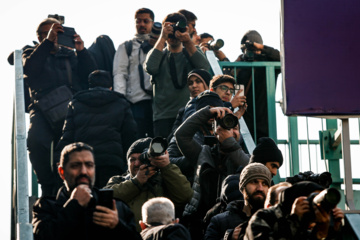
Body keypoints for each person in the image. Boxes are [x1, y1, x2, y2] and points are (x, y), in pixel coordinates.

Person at [23, 18, 97, 196]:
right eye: (49, 32)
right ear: (40, 36)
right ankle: (47, 186)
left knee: (67, 149)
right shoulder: (31, 52)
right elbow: (30, 70)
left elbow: (91, 76)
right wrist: (47, 42)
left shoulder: (70, 54)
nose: (55, 36)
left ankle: (62, 186)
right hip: (41, 108)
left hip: (69, 107)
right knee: (36, 141)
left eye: (58, 32)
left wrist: (81, 51)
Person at [32, 142, 141, 240]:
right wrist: (74, 205)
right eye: (75, 166)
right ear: (61, 172)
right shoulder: (46, 207)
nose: (83, 171)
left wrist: (118, 226)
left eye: (89, 165)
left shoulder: (117, 207)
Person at [175, 105, 250, 239]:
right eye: (226, 127)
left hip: (228, 223)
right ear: (216, 131)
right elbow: (181, 136)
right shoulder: (202, 153)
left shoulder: (245, 157)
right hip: (197, 222)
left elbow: (248, 168)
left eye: (235, 128)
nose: (231, 131)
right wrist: (206, 112)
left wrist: (228, 142)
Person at [55, 70, 138, 188]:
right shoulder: (121, 103)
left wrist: (59, 158)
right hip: (112, 161)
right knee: (108, 198)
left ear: (90, 86)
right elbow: (129, 135)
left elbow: (68, 134)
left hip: (84, 162)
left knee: (87, 199)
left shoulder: (76, 103)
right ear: (110, 87)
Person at [104, 137, 193, 232]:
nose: (137, 163)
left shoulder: (165, 178)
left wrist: (166, 167)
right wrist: (136, 182)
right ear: (127, 162)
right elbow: (106, 199)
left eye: (142, 159)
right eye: (132, 159)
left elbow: (185, 196)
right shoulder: (118, 180)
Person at [144, 12, 210, 138]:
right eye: (169, 28)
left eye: (176, 28)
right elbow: (151, 68)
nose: (173, 33)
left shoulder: (191, 51)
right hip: (163, 117)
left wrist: (187, 40)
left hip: (190, 113)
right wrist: (162, 37)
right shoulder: (158, 54)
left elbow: (204, 68)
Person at [244, 181, 344, 240]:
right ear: (294, 201)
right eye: (312, 200)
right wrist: (294, 221)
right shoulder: (264, 217)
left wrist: (328, 233)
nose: (317, 208)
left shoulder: (307, 230)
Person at [113, 8, 155, 138]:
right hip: (135, 103)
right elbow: (120, 74)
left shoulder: (160, 45)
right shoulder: (126, 46)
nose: (141, 24)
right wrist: (120, 100)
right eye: (138, 21)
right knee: (137, 139)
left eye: (145, 21)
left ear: (152, 23)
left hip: (156, 103)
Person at [204, 163, 272, 240]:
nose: (260, 188)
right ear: (243, 188)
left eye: (264, 183)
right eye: (254, 182)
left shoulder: (275, 221)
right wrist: (229, 238)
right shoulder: (220, 222)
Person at [234, 30, 281, 141]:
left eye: (255, 50)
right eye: (249, 50)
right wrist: (236, 64)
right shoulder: (239, 66)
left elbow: (283, 58)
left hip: (264, 120)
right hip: (244, 120)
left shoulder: (269, 63)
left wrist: (261, 47)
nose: (253, 53)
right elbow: (228, 81)